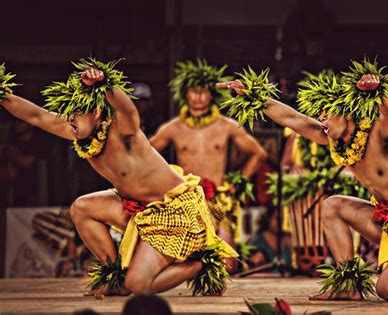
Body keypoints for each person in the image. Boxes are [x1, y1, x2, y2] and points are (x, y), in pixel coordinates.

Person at [218, 60, 388, 301]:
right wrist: (254, 95)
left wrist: (377, 90)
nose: (322, 119)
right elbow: (293, 119)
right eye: (320, 115)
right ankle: (348, 283)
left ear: (347, 112)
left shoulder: (380, 135)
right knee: (333, 205)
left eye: (327, 113)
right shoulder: (334, 140)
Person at [0, 59, 236, 297]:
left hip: (174, 213)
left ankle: (199, 264)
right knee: (81, 208)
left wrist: (105, 83)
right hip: (138, 209)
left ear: (97, 112)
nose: (69, 119)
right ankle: (114, 277)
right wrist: (3, 94)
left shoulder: (124, 130)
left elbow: (127, 108)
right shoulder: (77, 130)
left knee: (139, 286)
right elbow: (36, 116)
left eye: (76, 113)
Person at [150, 60, 267, 271]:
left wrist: (236, 182)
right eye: (194, 92)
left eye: (204, 92)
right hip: (186, 198)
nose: (199, 97)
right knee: (183, 258)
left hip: (219, 197)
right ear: (186, 94)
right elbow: (146, 155)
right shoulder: (172, 128)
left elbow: (259, 153)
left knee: (227, 263)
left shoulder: (226, 126)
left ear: (211, 95)